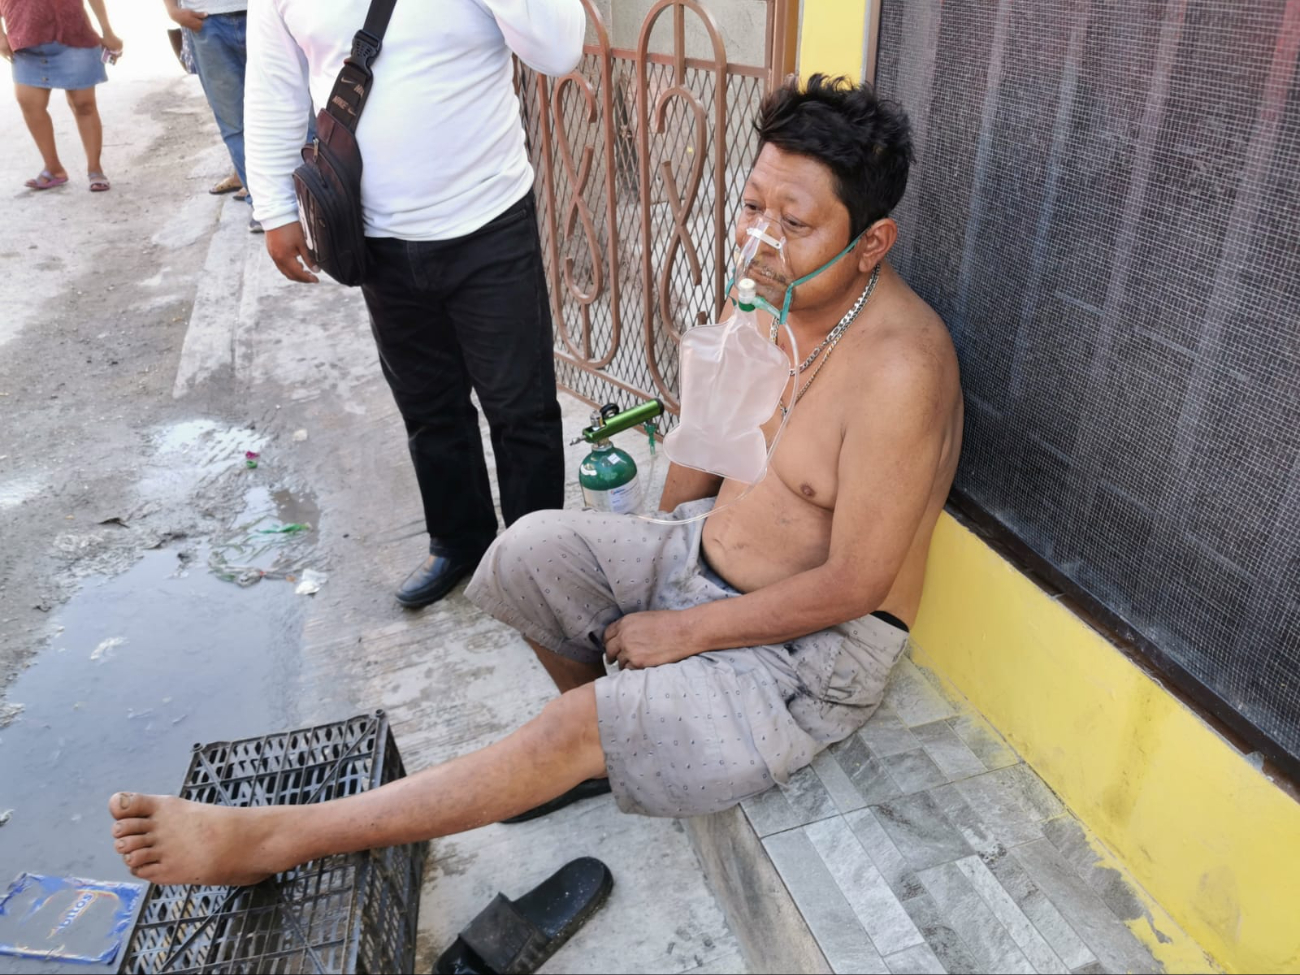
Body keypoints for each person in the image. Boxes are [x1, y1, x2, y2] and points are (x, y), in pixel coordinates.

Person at [105, 75, 964, 885]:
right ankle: (620, 739)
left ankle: (273, 839)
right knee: (523, 551)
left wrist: (688, 631)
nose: (760, 240)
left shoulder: (899, 368)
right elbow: (706, 446)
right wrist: (656, 564)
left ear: (871, 241)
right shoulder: (768, 290)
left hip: (809, 652)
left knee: (566, 725)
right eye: (750, 207)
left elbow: (858, 583)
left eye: (795, 223)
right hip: (705, 558)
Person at [243, 0, 581, 609]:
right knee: (429, 407)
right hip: (375, 237)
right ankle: (460, 542)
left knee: (521, 409)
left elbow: (560, 50)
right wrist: (274, 208)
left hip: (490, 223)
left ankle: (536, 560)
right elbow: (274, 86)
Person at [161, 0, 262, 231]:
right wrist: (173, 11)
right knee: (233, 122)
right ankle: (264, 205)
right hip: (206, 19)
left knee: (288, 111)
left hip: (266, 13)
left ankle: (301, 201)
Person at [0, 0, 121, 193]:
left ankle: (95, 169)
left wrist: (108, 31)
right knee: (29, 103)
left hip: (74, 36)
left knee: (84, 105)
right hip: (24, 40)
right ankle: (53, 169)